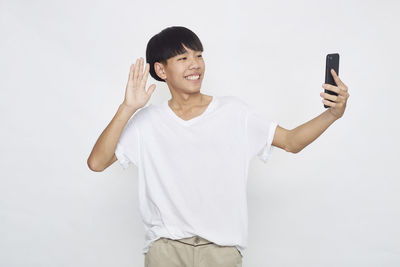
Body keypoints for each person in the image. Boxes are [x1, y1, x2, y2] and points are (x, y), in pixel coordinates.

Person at [87, 26, 349, 267]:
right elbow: (97, 163)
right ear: (161, 70)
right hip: (165, 251)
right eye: (183, 58)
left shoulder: (234, 112)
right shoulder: (147, 122)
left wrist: (332, 115)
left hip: (221, 251)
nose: (195, 65)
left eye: (199, 56)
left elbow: (291, 142)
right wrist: (127, 108)